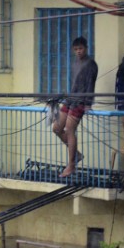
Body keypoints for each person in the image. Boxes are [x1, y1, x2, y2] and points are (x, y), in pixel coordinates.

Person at [53, 37, 98, 178]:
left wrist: (88, 104)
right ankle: (76, 154)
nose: (79, 51)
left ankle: (71, 165)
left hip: (81, 102)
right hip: (70, 99)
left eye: (81, 48)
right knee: (56, 128)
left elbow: (91, 84)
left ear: (86, 48)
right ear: (74, 50)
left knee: (70, 129)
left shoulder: (91, 64)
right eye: (76, 49)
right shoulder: (75, 63)